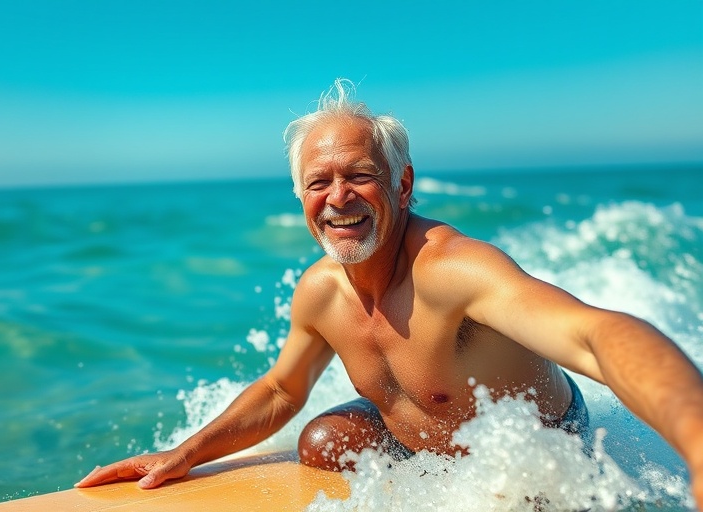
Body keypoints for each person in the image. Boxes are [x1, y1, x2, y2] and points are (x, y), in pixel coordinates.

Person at [76, 79, 703, 506]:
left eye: (361, 176)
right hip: (424, 444)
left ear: (403, 184)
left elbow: (594, 334)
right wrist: (185, 453)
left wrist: (695, 437)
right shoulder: (321, 293)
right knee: (323, 442)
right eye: (318, 182)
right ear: (300, 197)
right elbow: (280, 389)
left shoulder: (453, 272)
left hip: (540, 446)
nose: (338, 197)